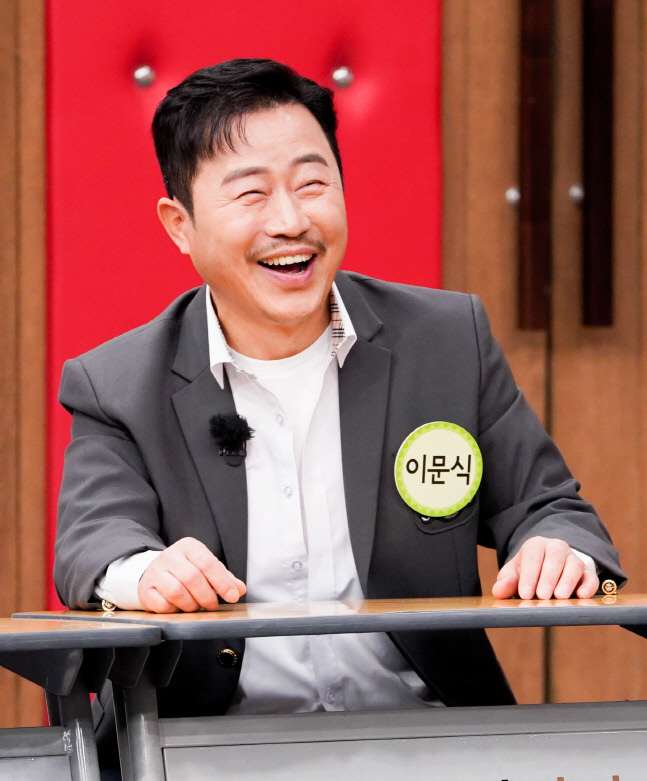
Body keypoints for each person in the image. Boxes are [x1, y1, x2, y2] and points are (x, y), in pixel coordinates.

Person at [54, 59, 624, 729]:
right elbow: (94, 542)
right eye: (251, 194)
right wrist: (146, 571)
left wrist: (555, 546)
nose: (291, 220)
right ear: (180, 224)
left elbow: (549, 506)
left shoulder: (445, 342)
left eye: (312, 183)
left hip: (426, 739)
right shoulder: (117, 383)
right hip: (209, 749)